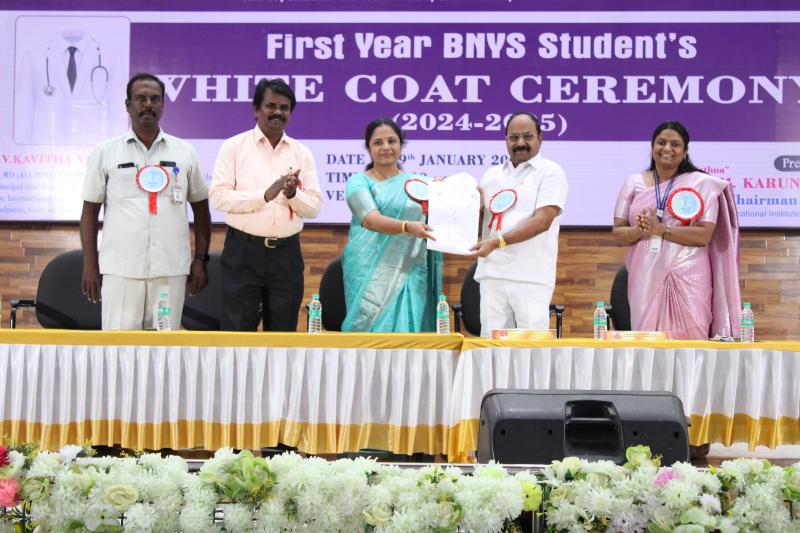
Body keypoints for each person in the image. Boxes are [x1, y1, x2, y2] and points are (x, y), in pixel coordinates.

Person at [80, 72, 211, 330]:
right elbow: (89, 212)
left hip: (170, 269)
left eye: (155, 99)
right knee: (118, 349)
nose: (148, 104)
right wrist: (90, 264)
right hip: (121, 270)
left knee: (164, 348)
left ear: (163, 105)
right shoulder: (106, 152)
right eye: (140, 98)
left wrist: (200, 260)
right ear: (128, 105)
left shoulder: (184, 151)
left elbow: (201, 209)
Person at [210, 78, 322, 331]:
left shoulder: (301, 152)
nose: (277, 112)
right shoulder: (234, 147)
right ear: (256, 109)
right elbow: (219, 197)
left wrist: (293, 195)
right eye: (271, 106)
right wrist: (264, 195)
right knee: (238, 333)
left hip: (286, 254)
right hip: (243, 251)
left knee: (282, 335)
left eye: (284, 108)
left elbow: (314, 206)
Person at [612, 120, 740, 340]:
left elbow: (704, 235)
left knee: (691, 337)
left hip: (689, 272)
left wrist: (662, 230)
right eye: (661, 142)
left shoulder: (701, 184)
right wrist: (641, 230)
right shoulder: (633, 183)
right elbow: (618, 233)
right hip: (645, 273)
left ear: (685, 151)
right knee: (649, 341)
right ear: (652, 147)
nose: (667, 149)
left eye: (675, 144)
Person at [469, 112, 568, 337]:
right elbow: (482, 222)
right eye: (514, 137)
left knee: (531, 347)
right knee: (491, 345)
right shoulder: (491, 175)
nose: (520, 143)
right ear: (506, 140)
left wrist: (497, 242)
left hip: (531, 274)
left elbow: (542, 221)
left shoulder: (551, 172)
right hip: (492, 272)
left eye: (527, 136)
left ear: (540, 138)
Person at [341, 118, 442, 332]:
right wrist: (407, 226)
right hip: (368, 271)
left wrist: (465, 191)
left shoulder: (420, 184)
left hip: (409, 267)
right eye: (378, 142)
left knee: (409, 330)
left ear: (401, 145)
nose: (385, 147)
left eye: (392, 141)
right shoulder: (358, 182)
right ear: (368, 148)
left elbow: (450, 206)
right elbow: (370, 219)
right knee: (368, 330)